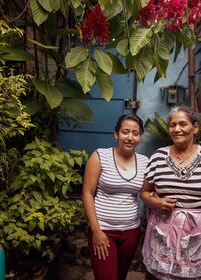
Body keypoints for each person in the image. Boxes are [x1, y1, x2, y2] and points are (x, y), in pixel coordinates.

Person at [140, 105, 201, 280]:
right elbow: (145, 192)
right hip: (165, 233)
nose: (177, 129)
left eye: (182, 124)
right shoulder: (158, 157)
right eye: (172, 125)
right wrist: (157, 203)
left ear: (195, 128)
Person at [82, 114, 149, 280]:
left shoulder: (145, 162)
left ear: (140, 137)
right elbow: (87, 194)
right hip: (104, 231)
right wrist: (96, 230)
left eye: (135, 133)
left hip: (131, 232)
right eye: (125, 132)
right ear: (116, 134)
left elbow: (148, 194)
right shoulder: (100, 157)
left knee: (120, 276)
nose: (130, 137)